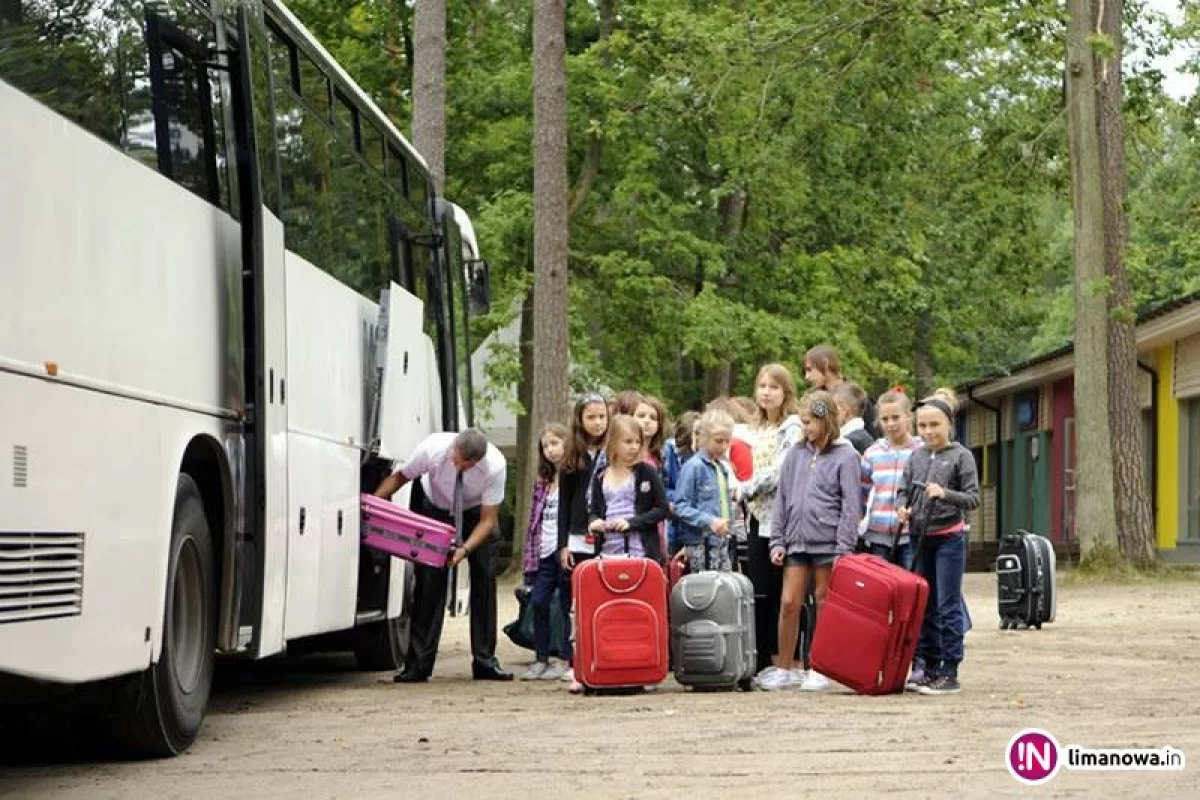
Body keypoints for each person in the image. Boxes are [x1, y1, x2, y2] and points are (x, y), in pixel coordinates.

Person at [374, 428, 512, 682]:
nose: (457, 465)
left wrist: (465, 549)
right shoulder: (433, 448)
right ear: (453, 447)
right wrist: (373, 506)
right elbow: (400, 478)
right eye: (455, 459)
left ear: (477, 461)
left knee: (484, 580)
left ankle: (484, 661)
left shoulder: (495, 466)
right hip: (434, 508)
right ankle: (418, 665)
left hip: (475, 515)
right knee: (429, 585)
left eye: (464, 465)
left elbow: (488, 519)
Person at [760, 391, 861, 692]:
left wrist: (845, 547)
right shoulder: (795, 454)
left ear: (825, 421)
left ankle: (819, 666)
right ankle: (784, 667)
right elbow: (782, 500)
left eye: (809, 423)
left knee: (824, 602)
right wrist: (777, 541)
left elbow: (851, 506)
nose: (805, 428)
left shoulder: (846, 456)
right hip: (796, 541)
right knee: (789, 602)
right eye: (803, 422)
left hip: (829, 543)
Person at [897, 388, 980, 696]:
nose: (928, 431)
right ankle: (927, 666)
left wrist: (944, 494)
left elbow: (973, 498)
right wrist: (902, 508)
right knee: (924, 605)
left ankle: (950, 669)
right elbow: (903, 489)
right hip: (919, 539)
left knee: (947, 605)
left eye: (935, 425)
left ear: (949, 425)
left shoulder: (961, 456)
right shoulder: (915, 456)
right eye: (922, 426)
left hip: (949, 539)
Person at [741, 364, 802, 675]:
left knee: (787, 593)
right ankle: (762, 657)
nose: (766, 391)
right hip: (755, 517)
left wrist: (747, 487)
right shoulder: (751, 429)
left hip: (785, 517)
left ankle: (787, 658)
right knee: (760, 589)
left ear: (786, 392)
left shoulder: (792, 426)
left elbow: (783, 468)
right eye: (762, 385)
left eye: (774, 386)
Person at [557, 393, 610, 692]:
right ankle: (573, 659)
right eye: (591, 417)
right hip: (577, 535)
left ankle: (601, 655)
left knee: (600, 596)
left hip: (605, 533)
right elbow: (564, 501)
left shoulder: (612, 451)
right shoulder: (572, 455)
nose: (597, 422)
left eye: (602, 416)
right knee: (575, 600)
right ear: (579, 419)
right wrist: (563, 543)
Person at [520, 423, 570, 681]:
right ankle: (540, 658)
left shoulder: (574, 477)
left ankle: (565, 657)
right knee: (538, 602)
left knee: (566, 606)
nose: (550, 450)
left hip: (566, 550)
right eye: (545, 446)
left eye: (554, 443)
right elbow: (533, 521)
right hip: (543, 550)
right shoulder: (543, 482)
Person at [587, 415, 669, 563]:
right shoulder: (600, 476)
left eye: (638, 442)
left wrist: (631, 523)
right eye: (628, 442)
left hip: (640, 551)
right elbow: (594, 511)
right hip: (608, 550)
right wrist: (594, 522)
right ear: (613, 443)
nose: (634, 447)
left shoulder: (647, 471)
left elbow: (663, 508)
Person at [860, 388, 922, 569]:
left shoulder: (921, 450)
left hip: (910, 534)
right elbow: (862, 491)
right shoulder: (872, 453)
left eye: (896, 417)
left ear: (908, 417)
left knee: (910, 584)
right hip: (878, 535)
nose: (891, 424)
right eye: (885, 419)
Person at [671, 409, 738, 573]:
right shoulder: (694, 467)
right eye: (718, 441)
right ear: (704, 438)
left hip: (722, 542)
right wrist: (710, 521)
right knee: (706, 590)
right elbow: (681, 506)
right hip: (701, 543)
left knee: (725, 588)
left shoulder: (721, 468)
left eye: (727, 441)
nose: (723, 446)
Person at [804, 344, 880, 438]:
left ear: (825, 364)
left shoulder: (855, 395)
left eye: (810, 369)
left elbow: (873, 434)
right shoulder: (814, 398)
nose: (807, 376)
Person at [832, 381, 874, 455]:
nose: (830, 414)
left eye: (833, 408)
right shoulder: (865, 437)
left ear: (844, 410)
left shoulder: (848, 442)